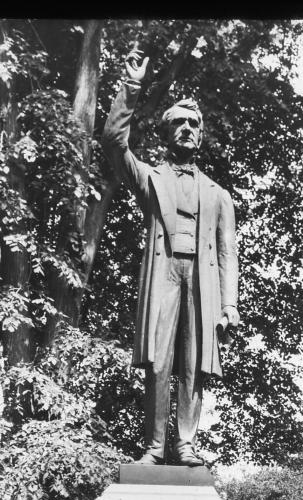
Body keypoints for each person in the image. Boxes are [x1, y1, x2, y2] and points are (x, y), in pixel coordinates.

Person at [102, 45, 240, 467]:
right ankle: (153, 446)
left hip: (201, 282)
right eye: (177, 122)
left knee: (194, 364)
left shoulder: (219, 195)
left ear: (200, 134)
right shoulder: (150, 179)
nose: (185, 128)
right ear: (165, 133)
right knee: (159, 362)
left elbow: (228, 253)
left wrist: (230, 305)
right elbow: (112, 143)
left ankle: (185, 444)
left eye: (192, 123)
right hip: (164, 275)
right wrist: (130, 87)